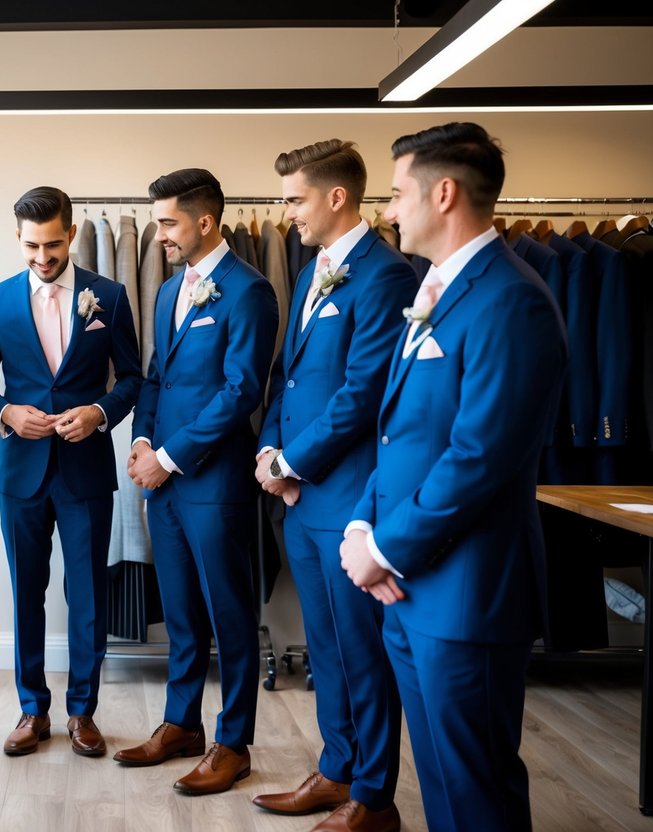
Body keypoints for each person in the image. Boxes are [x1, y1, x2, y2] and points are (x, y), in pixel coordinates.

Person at [340, 122, 567, 832]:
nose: (386, 210)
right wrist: (359, 521)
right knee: (438, 774)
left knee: (476, 787)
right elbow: (399, 432)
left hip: (468, 592)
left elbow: (479, 457)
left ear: (443, 194)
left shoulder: (510, 300)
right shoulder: (435, 288)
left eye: (397, 192)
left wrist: (381, 550)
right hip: (414, 587)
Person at [251, 140, 415, 832]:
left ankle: (372, 798)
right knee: (324, 649)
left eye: (294, 199)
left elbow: (360, 394)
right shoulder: (316, 266)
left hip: (347, 497)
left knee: (360, 654)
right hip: (303, 497)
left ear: (336, 197)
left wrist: (290, 464)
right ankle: (336, 767)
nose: (286, 212)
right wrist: (269, 447)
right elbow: (290, 378)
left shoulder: (382, 276)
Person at [0, 186, 142, 758]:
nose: (43, 257)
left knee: (88, 593)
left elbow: (134, 378)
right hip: (20, 473)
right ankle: (31, 709)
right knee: (25, 593)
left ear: (71, 232)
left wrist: (100, 413)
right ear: (17, 238)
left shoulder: (108, 297)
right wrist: (7, 412)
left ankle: (83, 712)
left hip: (86, 470)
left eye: (54, 244)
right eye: (32, 246)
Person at [117, 168, 277, 796]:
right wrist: (140, 441)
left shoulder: (250, 291)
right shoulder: (169, 292)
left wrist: (172, 456)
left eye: (167, 223)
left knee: (228, 613)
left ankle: (232, 742)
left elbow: (242, 391)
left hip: (213, 481)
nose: (159, 235)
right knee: (181, 610)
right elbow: (157, 376)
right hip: (164, 482)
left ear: (204, 222)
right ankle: (180, 724)